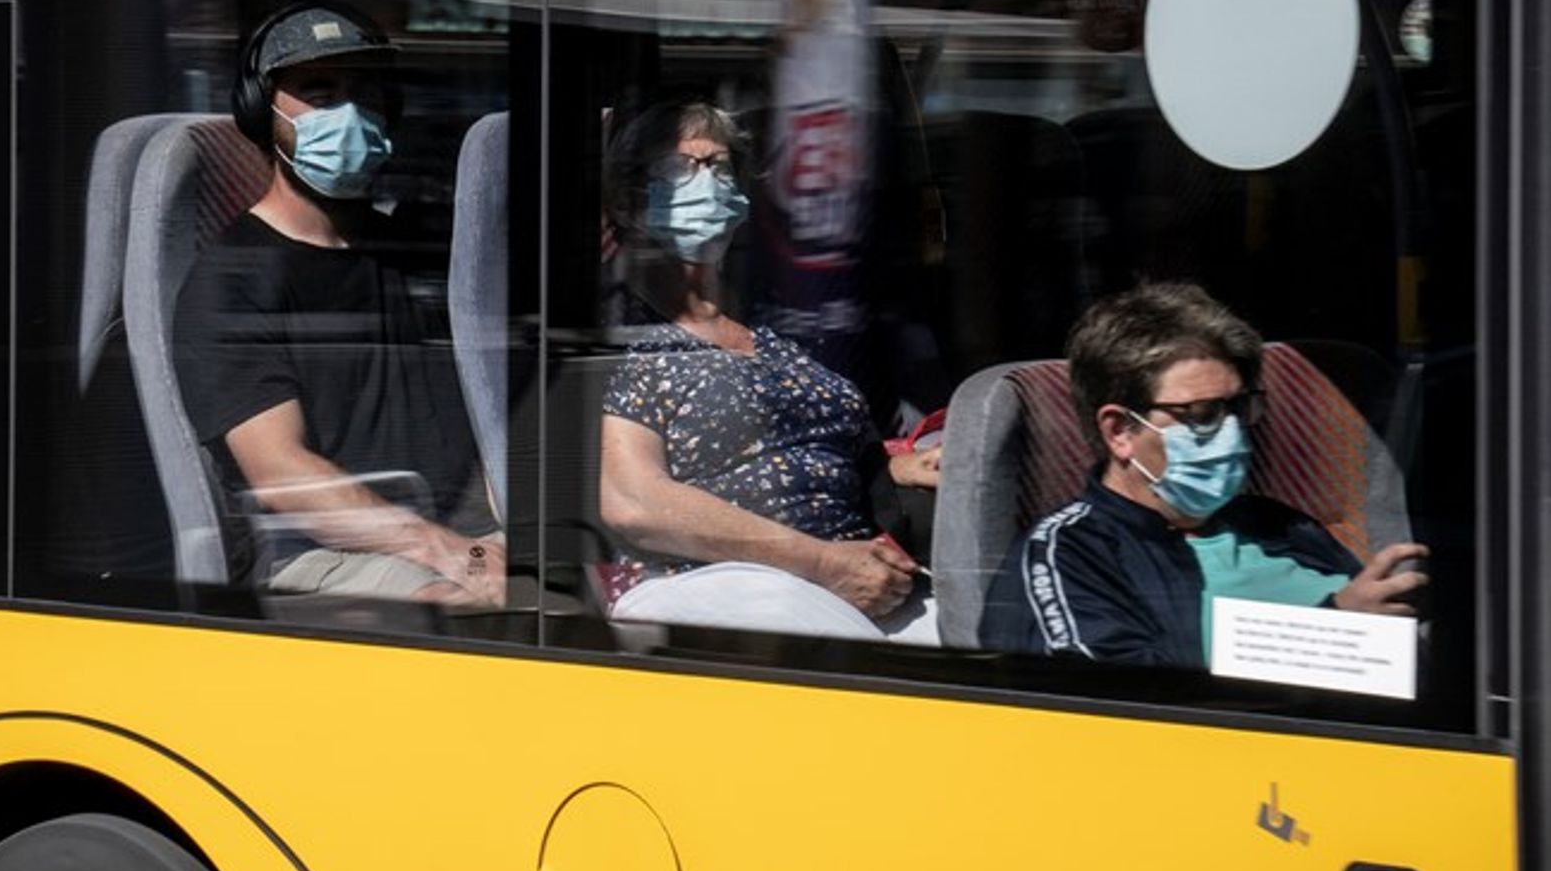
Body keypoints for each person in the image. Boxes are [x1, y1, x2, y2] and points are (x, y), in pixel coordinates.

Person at [176, 2, 501, 605]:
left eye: (365, 94)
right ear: (262, 111)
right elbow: (281, 473)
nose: (349, 114)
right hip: (326, 556)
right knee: (477, 611)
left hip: (463, 535)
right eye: (320, 93)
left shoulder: (419, 252)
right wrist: (452, 552)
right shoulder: (231, 280)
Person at [595, 99, 941, 641]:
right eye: (680, 168)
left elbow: (786, 446)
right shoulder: (621, 335)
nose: (707, 183)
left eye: (720, 167)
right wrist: (822, 563)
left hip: (858, 572)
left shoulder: (768, 328)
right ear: (626, 196)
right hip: (724, 581)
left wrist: (895, 465)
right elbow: (634, 502)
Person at [977, 282, 1422, 666]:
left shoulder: (1279, 524)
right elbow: (1119, 707)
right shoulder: (1070, 555)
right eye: (1201, 414)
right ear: (1119, 431)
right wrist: (1336, 632)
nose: (1232, 432)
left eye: (1237, 407)